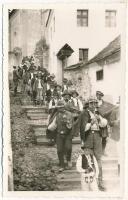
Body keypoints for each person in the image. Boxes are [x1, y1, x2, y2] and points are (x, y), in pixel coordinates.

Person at [79, 98, 107, 191]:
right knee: (88, 159)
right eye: (91, 103)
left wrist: (99, 119)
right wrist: (90, 123)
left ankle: (100, 181)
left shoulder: (98, 113)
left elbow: (104, 124)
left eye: (95, 103)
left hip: (98, 137)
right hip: (88, 137)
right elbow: (83, 128)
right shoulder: (84, 113)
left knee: (98, 159)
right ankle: (89, 183)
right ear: (88, 104)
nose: (93, 105)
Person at [96, 91, 114, 155]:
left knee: (104, 137)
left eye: (100, 95)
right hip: (96, 122)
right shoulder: (94, 103)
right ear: (96, 96)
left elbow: (109, 110)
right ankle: (97, 151)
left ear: (101, 96)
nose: (99, 96)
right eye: (97, 95)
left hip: (104, 122)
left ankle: (103, 151)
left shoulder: (105, 104)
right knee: (97, 137)